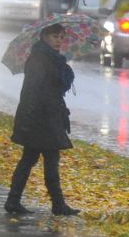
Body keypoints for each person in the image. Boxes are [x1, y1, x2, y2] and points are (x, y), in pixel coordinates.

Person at [6, 27, 80, 216]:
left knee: (32, 159)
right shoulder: (39, 59)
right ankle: (57, 204)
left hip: (49, 116)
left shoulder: (53, 58)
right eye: (55, 36)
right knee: (46, 160)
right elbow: (33, 90)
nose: (59, 40)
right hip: (40, 118)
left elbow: (55, 85)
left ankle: (14, 201)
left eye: (62, 37)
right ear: (45, 37)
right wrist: (29, 119)